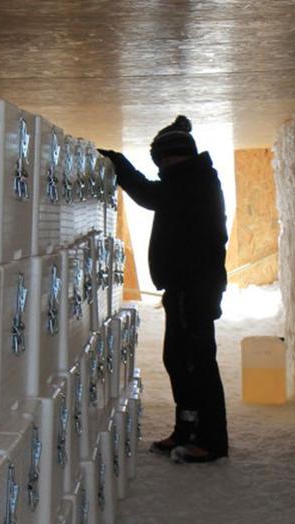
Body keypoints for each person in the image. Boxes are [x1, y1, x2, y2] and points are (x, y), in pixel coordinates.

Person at [98, 115, 229, 464]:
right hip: (185, 286)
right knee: (178, 360)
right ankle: (186, 429)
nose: (159, 169)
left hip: (194, 288)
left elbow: (147, 195)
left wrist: (118, 163)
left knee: (197, 364)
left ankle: (211, 441)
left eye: (160, 161)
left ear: (173, 157)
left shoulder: (192, 182)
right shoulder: (189, 179)